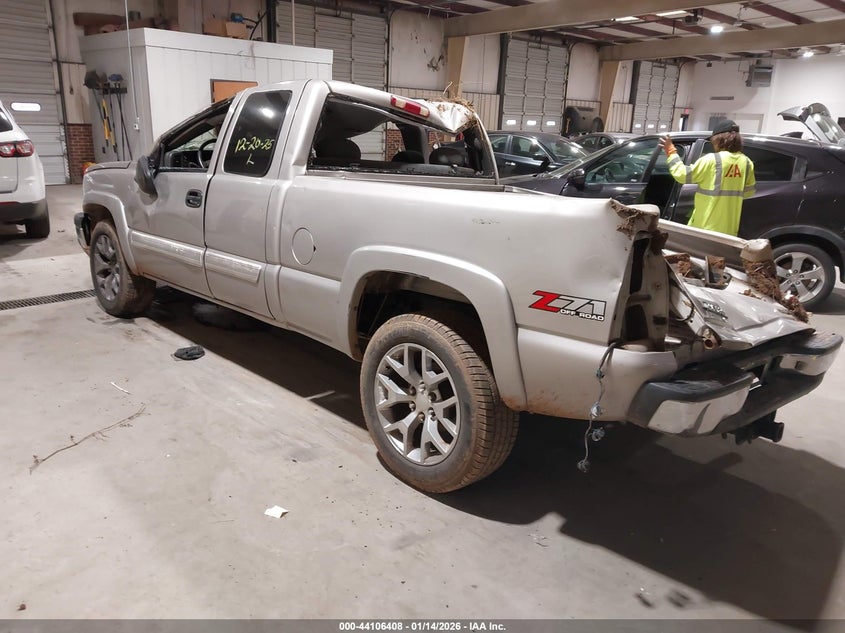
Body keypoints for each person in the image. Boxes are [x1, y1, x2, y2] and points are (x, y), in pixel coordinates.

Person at [658, 119, 756, 236]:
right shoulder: (747, 163)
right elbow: (748, 193)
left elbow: (682, 175)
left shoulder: (712, 160)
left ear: (718, 139)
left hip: (706, 228)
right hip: (729, 230)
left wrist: (670, 151)